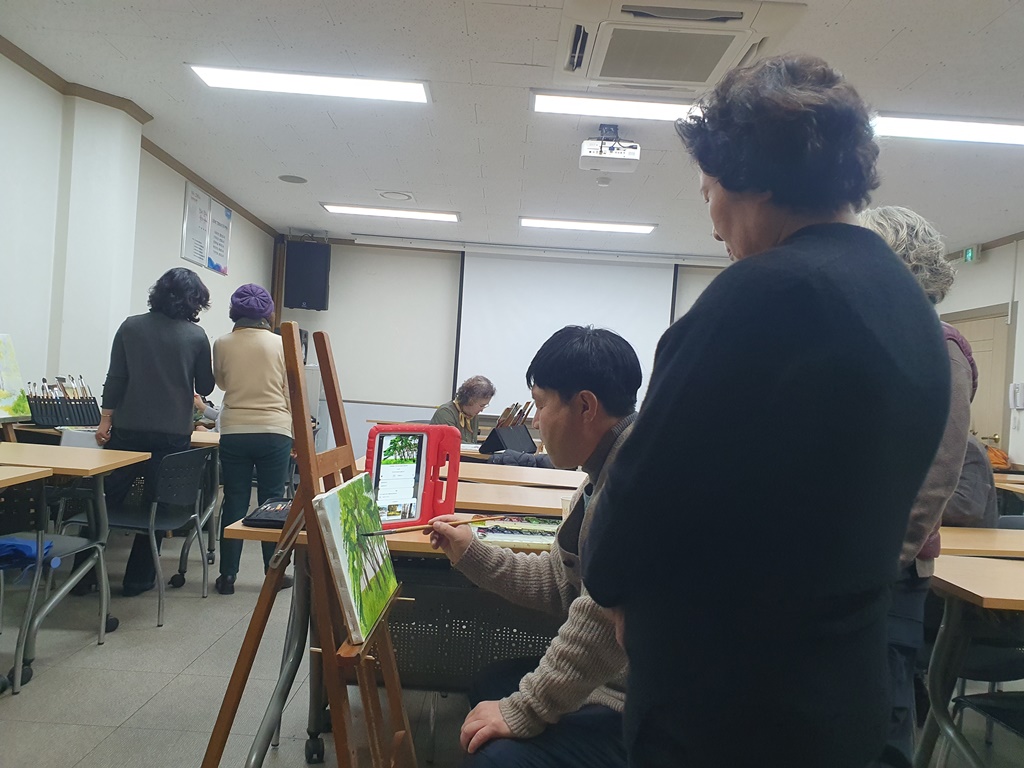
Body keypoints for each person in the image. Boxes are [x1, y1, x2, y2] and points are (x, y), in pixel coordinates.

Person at [581, 55, 951, 767]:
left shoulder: (765, 294)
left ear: (748, 177)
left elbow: (637, 500)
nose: (713, 221)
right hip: (842, 691)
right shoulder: (908, 308)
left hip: (727, 707)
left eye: (708, 191)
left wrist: (616, 587)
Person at [427, 326, 641, 767]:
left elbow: (599, 621)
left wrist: (524, 710)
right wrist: (471, 552)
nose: (537, 421)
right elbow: (560, 583)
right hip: (619, 681)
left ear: (585, 406)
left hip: (645, 706)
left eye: (541, 404)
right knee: (490, 682)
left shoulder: (635, 482)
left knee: (494, 755)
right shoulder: (607, 469)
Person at [859, 204, 976, 758]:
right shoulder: (874, 336)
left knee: (882, 719)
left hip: (888, 573)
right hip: (848, 566)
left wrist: (873, 565)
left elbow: (934, 480)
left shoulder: (940, 347)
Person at [91, 267, 215, 597]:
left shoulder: (130, 327)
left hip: (127, 430)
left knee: (104, 499)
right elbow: (205, 386)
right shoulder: (196, 337)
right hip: (172, 434)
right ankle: (138, 580)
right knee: (156, 506)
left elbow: (115, 377)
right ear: (194, 301)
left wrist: (105, 420)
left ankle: (84, 575)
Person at [212, 283, 293, 595]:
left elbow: (221, 382)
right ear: (268, 314)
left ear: (234, 312)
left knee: (234, 499)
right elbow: (291, 391)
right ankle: (273, 575)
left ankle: (227, 576)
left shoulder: (222, 343)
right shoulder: (282, 344)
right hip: (275, 430)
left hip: (235, 430)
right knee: (273, 501)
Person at [431, 375, 495, 443]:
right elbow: (450, 443)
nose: (482, 410)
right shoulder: (445, 413)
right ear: (470, 401)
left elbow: (472, 443)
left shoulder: (473, 415)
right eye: (481, 406)